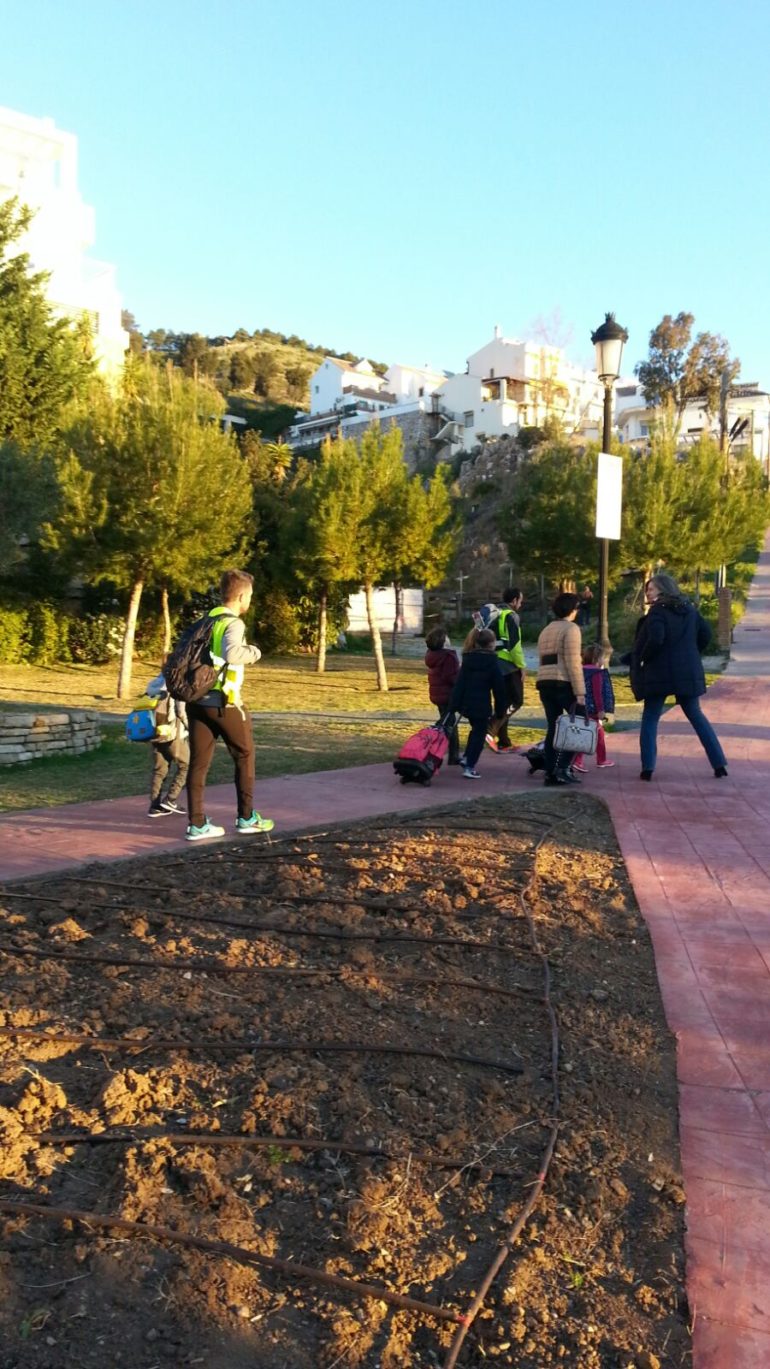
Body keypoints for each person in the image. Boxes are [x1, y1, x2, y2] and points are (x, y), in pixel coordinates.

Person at [185, 568, 275, 841]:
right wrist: (255, 652)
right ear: (242, 595)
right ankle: (246, 817)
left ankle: (197, 825)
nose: (250, 601)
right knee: (245, 755)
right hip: (224, 703)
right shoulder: (233, 623)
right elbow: (233, 653)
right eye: (250, 596)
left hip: (197, 700)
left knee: (199, 763)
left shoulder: (207, 619)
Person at [623, 573, 727, 782]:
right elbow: (706, 635)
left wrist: (643, 658)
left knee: (651, 717)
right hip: (687, 671)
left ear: (662, 589)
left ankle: (648, 768)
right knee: (697, 716)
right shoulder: (690, 609)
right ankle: (719, 764)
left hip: (658, 672)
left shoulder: (657, 612)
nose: (648, 593)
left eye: (650, 589)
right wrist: (690, 652)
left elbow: (656, 639)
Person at [536, 592, 586, 786]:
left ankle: (550, 771)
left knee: (553, 727)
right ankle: (563, 767)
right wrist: (580, 692)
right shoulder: (571, 629)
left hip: (544, 682)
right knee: (580, 723)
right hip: (563, 682)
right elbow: (573, 661)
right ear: (572, 610)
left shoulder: (546, 629)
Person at [449, 628, 507, 779]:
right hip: (482, 704)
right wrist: (501, 710)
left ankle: (467, 756)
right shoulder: (492, 663)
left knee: (476, 730)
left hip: (467, 703)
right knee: (480, 734)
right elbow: (499, 689)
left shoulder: (468, 660)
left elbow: (460, 683)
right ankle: (470, 764)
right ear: (491, 644)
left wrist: (454, 704)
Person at [484, 587, 526, 753]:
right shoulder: (511, 616)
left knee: (502, 701)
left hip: (493, 662)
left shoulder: (494, 613)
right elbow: (514, 645)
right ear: (514, 600)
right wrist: (521, 666)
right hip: (508, 665)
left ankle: (504, 741)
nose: (520, 604)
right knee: (516, 701)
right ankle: (490, 729)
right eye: (520, 601)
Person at [145, 667, 189, 817]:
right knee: (186, 764)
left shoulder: (154, 683)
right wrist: (190, 727)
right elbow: (181, 711)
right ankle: (171, 798)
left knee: (160, 769)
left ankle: (155, 805)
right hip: (172, 731)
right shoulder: (177, 682)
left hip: (155, 732)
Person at [572, 644, 615, 773]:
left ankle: (599, 759)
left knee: (591, 733)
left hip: (580, 706)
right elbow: (598, 692)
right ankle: (581, 760)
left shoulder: (579, 670)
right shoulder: (596, 673)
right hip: (593, 710)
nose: (604, 661)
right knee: (591, 734)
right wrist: (601, 710)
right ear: (597, 659)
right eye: (603, 658)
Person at [424, 625, 461, 764]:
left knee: (447, 722)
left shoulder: (432, 655)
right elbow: (452, 677)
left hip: (438, 694)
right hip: (448, 694)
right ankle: (453, 756)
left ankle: (452, 754)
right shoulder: (448, 656)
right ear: (443, 640)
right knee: (449, 725)